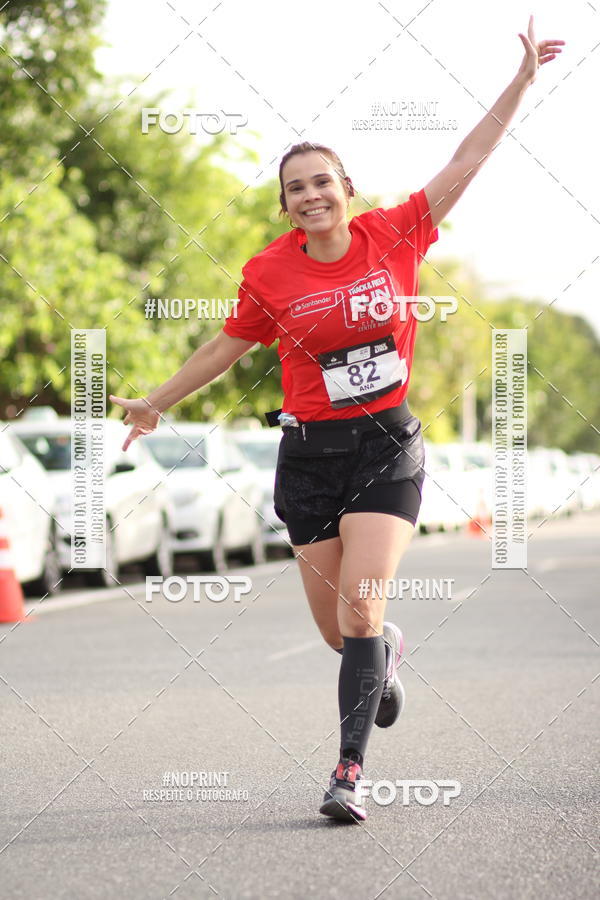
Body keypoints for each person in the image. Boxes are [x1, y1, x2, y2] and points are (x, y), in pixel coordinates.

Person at [110, 17, 563, 823]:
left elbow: (470, 158)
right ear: (286, 207)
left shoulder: (395, 233)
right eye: (296, 187)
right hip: (309, 457)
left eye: (324, 180)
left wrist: (522, 81)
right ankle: (383, 653)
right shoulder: (268, 273)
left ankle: (347, 774)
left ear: (346, 189)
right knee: (344, 632)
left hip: (387, 445)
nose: (312, 194)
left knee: (361, 605)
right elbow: (224, 347)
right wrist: (157, 402)